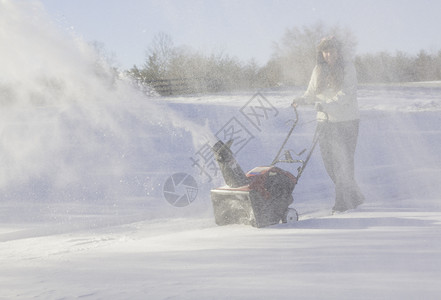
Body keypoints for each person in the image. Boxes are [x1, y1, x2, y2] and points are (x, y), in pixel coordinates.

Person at [292, 36, 365, 212]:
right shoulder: (318, 70)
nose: (328, 54)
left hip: (346, 122)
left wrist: (326, 105)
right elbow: (311, 93)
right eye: (325, 51)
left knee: (343, 163)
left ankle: (343, 204)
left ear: (338, 52)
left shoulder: (348, 68)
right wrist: (301, 100)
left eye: (331, 51)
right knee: (330, 164)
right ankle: (355, 195)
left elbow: (346, 94)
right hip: (324, 122)